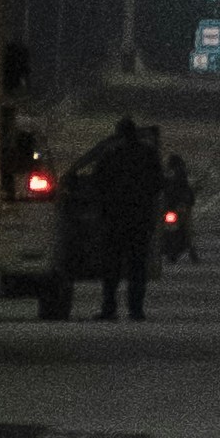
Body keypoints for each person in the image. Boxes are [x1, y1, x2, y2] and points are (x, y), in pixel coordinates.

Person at [77, 114, 165, 326]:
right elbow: (158, 184)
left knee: (112, 267)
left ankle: (110, 308)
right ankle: (136, 309)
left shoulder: (111, 154)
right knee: (137, 266)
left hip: (114, 219)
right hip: (139, 218)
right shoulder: (147, 154)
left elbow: (97, 183)